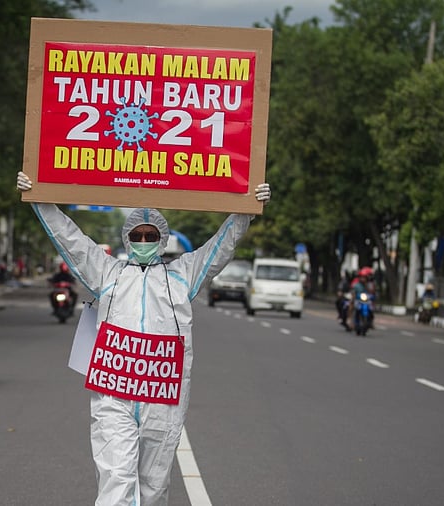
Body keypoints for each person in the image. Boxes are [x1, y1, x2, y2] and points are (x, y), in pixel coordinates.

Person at [17, 171, 270, 506]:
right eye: (138, 234)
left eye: (151, 235)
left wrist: (246, 209)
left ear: (162, 240)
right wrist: (40, 199)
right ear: (127, 238)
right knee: (116, 482)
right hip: (115, 396)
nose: (145, 240)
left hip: (163, 399)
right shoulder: (107, 274)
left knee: (153, 488)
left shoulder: (182, 277)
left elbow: (221, 247)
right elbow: (71, 240)